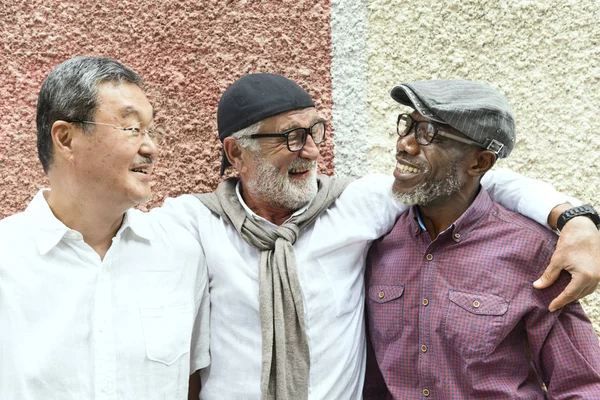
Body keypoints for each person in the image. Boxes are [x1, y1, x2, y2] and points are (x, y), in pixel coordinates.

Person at [156, 73, 600, 399]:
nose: (311, 150)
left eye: (314, 132)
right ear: (237, 152)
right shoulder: (191, 224)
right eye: (290, 138)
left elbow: (467, 184)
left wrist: (574, 218)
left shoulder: (353, 207)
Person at [364, 80, 600, 399]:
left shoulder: (532, 250)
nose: (404, 144)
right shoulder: (374, 242)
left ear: (479, 162)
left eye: (428, 134)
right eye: (407, 126)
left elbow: (582, 384)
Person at [0, 56, 210, 399]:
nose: (150, 147)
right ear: (66, 139)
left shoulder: (181, 256)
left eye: (151, 130)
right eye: (131, 128)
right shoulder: (6, 259)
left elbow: (192, 385)